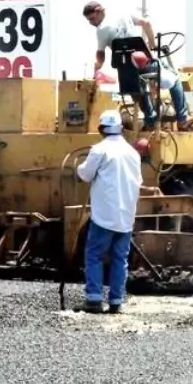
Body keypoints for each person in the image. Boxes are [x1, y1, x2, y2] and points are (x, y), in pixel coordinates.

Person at [82, 1, 189, 130]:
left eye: (92, 18)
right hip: (143, 61)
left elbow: (101, 54)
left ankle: (150, 120)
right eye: (89, 20)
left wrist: (97, 66)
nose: (91, 23)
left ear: (100, 11)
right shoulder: (123, 13)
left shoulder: (101, 30)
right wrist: (152, 44)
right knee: (175, 79)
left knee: (137, 89)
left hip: (125, 69)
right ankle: (182, 119)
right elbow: (146, 23)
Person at [75, 110, 143, 314]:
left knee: (94, 255)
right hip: (126, 215)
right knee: (120, 259)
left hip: (104, 215)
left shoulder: (99, 150)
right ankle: (116, 302)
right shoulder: (133, 153)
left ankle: (94, 300)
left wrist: (78, 168)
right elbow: (138, 181)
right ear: (121, 128)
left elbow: (86, 175)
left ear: (101, 129)